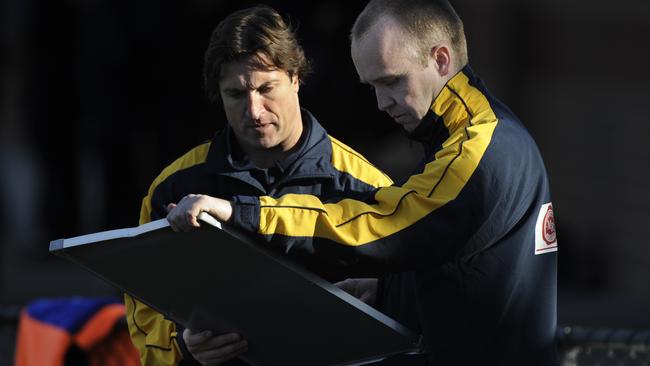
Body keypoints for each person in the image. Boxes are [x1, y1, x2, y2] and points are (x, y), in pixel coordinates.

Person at [168, 0, 559, 364]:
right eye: (372, 86)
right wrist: (390, 294)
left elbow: (384, 225)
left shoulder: (480, 150)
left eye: (391, 81)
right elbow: (460, 263)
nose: (381, 102)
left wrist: (243, 213)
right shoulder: (472, 139)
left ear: (441, 59)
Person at [126, 5, 394, 366]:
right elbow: (143, 308)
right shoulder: (174, 187)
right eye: (235, 94)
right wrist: (181, 346)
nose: (254, 110)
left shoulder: (366, 186)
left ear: (296, 78)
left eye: (266, 88)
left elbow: (402, 312)